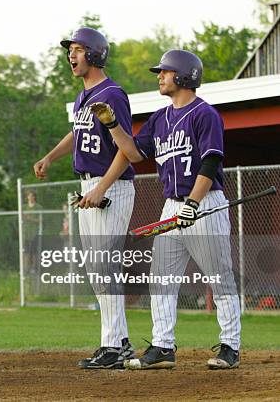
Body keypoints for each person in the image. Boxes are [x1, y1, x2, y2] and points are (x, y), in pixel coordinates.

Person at [94, 49, 241, 369]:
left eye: (165, 71)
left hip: (205, 204)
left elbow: (211, 159)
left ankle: (230, 347)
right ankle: (163, 346)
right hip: (171, 207)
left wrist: (193, 203)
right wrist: (113, 125)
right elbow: (133, 153)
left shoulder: (205, 115)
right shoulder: (159, 119)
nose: (159, 76)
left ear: (184, 76)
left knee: (220, 277)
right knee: (161, 278)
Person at [33, 27, 135, 369]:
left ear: (94, 54)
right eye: (70, 50)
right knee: (97, 270)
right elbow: (77, 131)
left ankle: (115, 345)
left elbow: (126, 149)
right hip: (89, 189)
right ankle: (116, 342)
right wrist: (50, 157)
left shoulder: (113, 93)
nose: (70, 56)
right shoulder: (83, 97)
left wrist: (101, 188)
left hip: (110, 188)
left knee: (105, 268)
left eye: (77, 49)